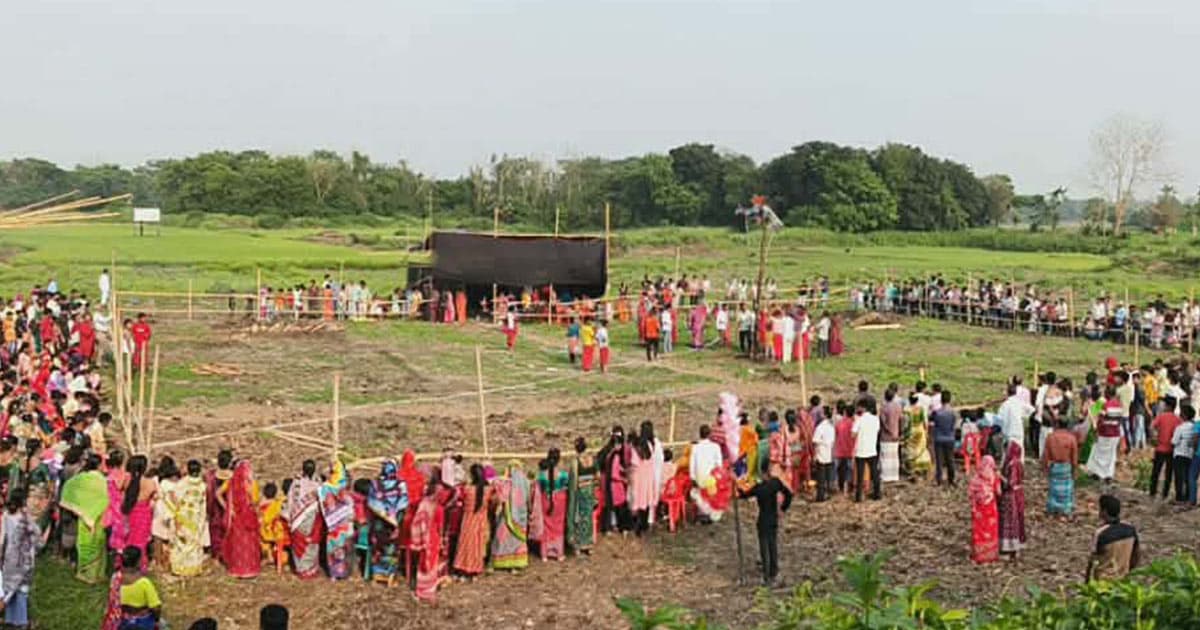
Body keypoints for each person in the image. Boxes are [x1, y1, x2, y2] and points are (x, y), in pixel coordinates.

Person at [60, 452, 110, 583]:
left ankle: (84, 573)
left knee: (84, 544)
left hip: (83, 518)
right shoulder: (102, 481)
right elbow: (106, 498)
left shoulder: (80, 478)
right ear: (99, 465)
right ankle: (96, 575)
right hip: (98, 518)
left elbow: (68, 487)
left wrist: (80, 509)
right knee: (97, 545)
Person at [739, 467, 792, 586]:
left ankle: (766, 574)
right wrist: (783, 508)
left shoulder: (759, 487)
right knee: (772, 544)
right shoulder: (775, 483)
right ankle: (774, 571)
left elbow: (744, 494)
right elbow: (788, 494)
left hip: (763, 519)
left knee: (764, 546)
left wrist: (738, 484)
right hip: (773, 517)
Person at [2, 490, 45, 629]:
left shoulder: (6, 515)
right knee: (22, 590)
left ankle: (10, 618)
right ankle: (21, 622)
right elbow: (38, 541)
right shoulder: (25, 519)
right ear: (23, 501)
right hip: (23, 560)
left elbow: (3, 539)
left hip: (9, 558)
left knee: (9, 587)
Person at [366, 458, 409, 583]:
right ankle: (386, 575)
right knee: (387, 549)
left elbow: (373, 502)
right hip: (392, 522)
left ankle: (380, 574)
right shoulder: (401, 485)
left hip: (381, 521)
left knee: (381, 548)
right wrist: (393, 515)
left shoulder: (376, 484)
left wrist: (385, 513)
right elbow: (403, 502)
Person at [164, 459, 208, 577]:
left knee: (181, 542)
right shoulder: (203, 485)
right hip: (197, 516)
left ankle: (181, 567)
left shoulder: (182, 484)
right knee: (194, 541)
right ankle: (193, 567)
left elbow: (174, 498)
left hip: (183, 516)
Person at [104, 547, 162, 630]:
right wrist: (157, 619)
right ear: (138, 562)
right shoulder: (144, 582)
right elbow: (156, 607)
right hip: (143, 622)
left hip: (123, 621)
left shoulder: (116, 578)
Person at [221, 460, 261, 578]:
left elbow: (219, 493)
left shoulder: (232, 482)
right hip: (248, 516)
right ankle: (250, 568)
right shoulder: (251, 485)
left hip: (237, 518)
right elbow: (255, 501)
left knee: (238, 543)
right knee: (249, 543)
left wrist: (228, 508)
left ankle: (238, 568)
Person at [1086, 495, 1139, 581]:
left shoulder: (1101, 533)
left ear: (1104, 512)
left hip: (1104, 580)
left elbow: (1092, 560)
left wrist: (1087, 581)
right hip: (1123, 577)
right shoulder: (1130, 529)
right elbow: (1135, 555)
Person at [410, 478, 447, 602]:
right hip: (433, 538)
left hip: (422, 538)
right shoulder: (439, 508)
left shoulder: (423, 504)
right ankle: (429, 591)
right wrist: (442, 540)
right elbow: (440, 527)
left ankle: (420, 589)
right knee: (432, 563)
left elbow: (416, 521)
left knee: (422, 563)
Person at [285, 459, 323, 579]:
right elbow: (292, 501)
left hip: (313, 519)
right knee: (304, 543)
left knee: (312, 543)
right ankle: (302, 569)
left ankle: (309, 568)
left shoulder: (317, 481)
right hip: (300, 519)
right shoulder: (297, 483)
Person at [452, 464, 492, 577]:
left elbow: (460, 498)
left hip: (469, 519)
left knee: (466, 543)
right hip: (481, 519)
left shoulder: (467, 489)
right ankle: (475, 568)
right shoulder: (488, 489)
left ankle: (463, 566)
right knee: (478, 544)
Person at [319, 458, 355, 580]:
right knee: (345, 547)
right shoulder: (345, 486)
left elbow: (323, 503)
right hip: (344, 523)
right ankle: (345, 573)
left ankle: (333, 573)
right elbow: (350, 503)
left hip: (332, 524)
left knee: (332, 548)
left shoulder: (325, 487)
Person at [491, 461, 530, 569]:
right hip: (521, 517)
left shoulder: (506, 483)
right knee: (517, 541)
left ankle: (502, 561)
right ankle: (517, 562)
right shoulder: (526, 482)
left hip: (507, 516)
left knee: (503, 538)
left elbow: (501, 497)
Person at [536, 448, 569, 558]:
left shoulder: (541, 475)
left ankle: (544, 553)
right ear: (559, 460)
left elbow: (538, 489)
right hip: (560, 500)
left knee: (546, 525)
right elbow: (567, 486)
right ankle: (559, 553)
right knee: (558, 526)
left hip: (545, 500)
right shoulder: (563, 475)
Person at [1043, 417, 1079, 517]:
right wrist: (1074, 470)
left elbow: (1046, 455)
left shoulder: (1051, 437)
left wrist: (1045, 468)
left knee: (1053, 488)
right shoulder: (1071, 438)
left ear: (1057, 425)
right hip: (1066, 467)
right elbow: (1074, 457)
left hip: (1054, 466)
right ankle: (1065, 509)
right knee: (1067, 490)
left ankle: (1053, 508)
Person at [968, 455, 1000, 564]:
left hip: (979, 508)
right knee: (990, 531)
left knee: (979, 531)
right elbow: (998, 492)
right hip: (990, 507)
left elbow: (970, 493)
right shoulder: (993, 476)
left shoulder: (976, 478)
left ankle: (979, 554)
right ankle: (990, 555)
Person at [999, 439, 1027, 559]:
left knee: (1010, 521)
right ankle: (1016, 548)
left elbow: (1010, 483)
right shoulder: (1019, 462)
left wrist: (999, 476)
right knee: (1018, 520)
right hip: (1018, 493)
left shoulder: (1012, 464)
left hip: (1011, 496)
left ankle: (1009, 550)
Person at [1148, 396, 1181, 499]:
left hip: (1160, 448)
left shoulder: (1161, 416)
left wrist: (1153, 438)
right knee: (1168, 473)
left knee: (1156, 471)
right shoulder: (1178, 419)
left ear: (1167, 406)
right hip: (1172, 449)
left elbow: (1151, 427)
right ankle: (1165, 493)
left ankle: (1152, 491)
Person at [852, 400, 881, 502]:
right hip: (872, 449)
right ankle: (877, 493)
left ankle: (858, 496)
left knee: (860, 474)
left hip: (861, 450)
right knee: (874, 472)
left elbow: (853, 434)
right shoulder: (875, 419)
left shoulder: (859, 420)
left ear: (863, 408)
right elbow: (877, 431)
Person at [930, 392, 958, 486]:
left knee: (939, 460)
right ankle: (952, 479)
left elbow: (931, 420)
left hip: (939, 438)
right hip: (950, 438)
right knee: (950, 459)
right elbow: (954, 425)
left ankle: (939, 479)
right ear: (950, 400)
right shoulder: (953, 412)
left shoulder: (937, 412)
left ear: (941, 400)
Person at [1170, 407, 1196, 503]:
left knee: (1178, 477)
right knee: (1187, 477)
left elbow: (1174, 441)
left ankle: (1179, 497)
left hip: (1179, 454)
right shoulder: (1194, 427)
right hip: (1190, 455)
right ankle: (1187, 496)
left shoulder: (1180, 428)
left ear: (1184, 416)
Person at [812, 408, 835, 502]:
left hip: (821, 453)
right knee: (827, 476)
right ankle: (827, 493)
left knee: (821, 477)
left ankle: (820, 496)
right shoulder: (831, 427)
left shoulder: (820, 427)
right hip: (829, 453)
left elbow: (815, 440)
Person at [879, 390, 902, 483]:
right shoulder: (898, 407)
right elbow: (901, 420)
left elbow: (883, 422)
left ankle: (885, 476)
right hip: (895, 435)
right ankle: (894, 475)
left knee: (885, 457)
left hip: (886, 436)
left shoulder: (884, 408)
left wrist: (888, 431)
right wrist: (898, 432)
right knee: (894, 456)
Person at [833, 403, 855, 494]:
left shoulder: (839, 423)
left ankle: (837, 486)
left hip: (839, 449)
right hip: (850, 450)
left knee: (836, 468)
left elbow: (836, 434)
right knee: (849, 469)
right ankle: (847, 486)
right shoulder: (854, 424)